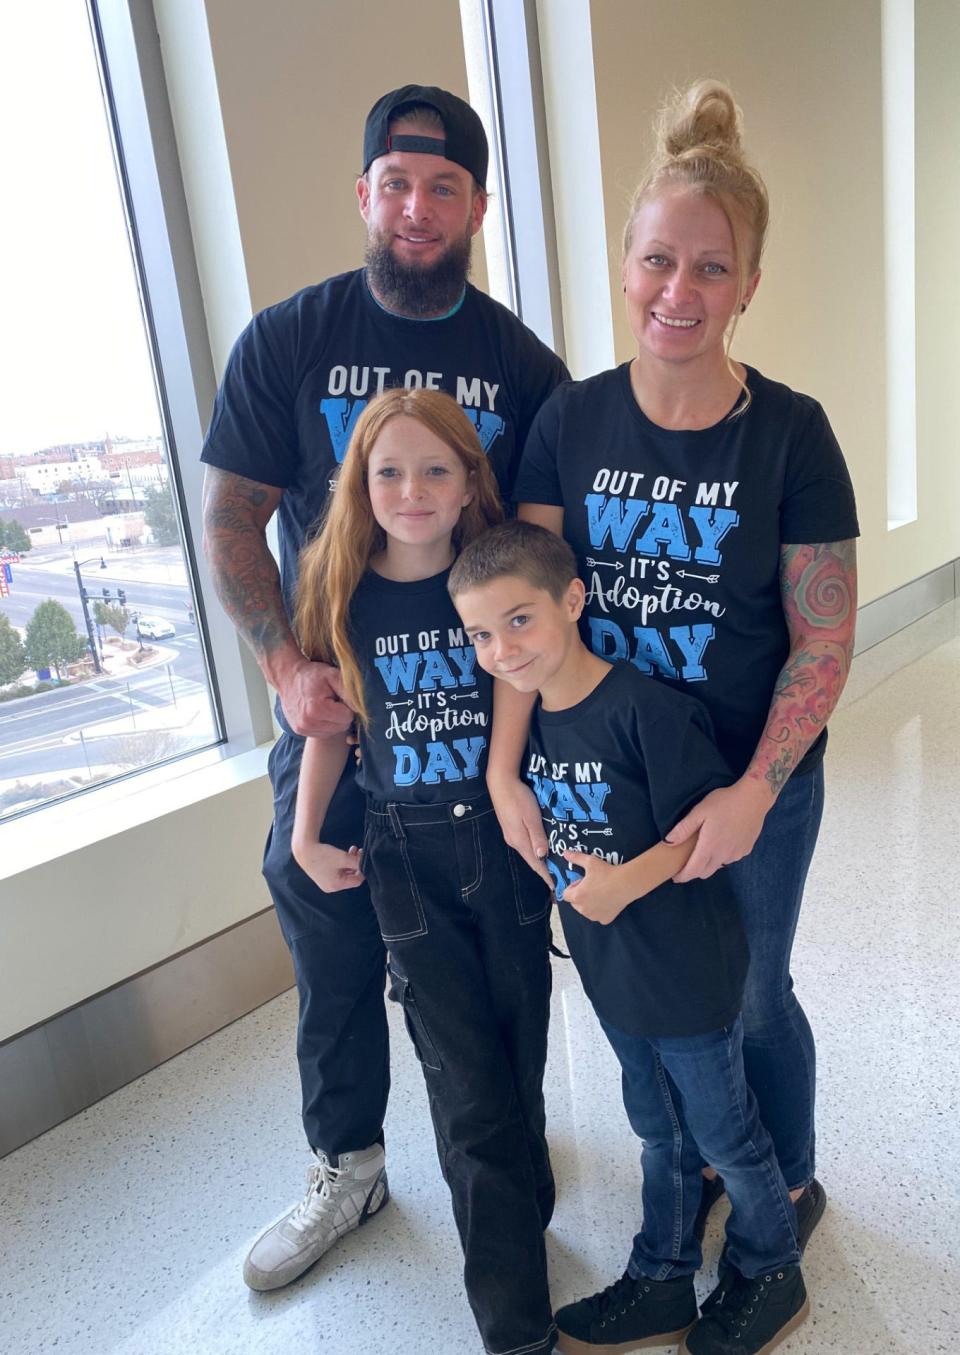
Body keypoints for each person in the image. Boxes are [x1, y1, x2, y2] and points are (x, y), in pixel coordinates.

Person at [200, 84, 568, 1292]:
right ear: (364, 195)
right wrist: (285, 668)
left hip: (477, 730)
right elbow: (234, 520)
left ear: (476, 205)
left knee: (500, 955)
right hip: (345, 708)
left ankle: (502, 1143)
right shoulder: (288, 339)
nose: (418, 207)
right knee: (325, 919)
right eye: (396, 183)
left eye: (444, 186)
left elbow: (555, 540)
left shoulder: (519, 360)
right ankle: (348, 1158)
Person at [503, 79, 858, 1262]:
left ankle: (786, 1183)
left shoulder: (793, 434)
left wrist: (757, 787)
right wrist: (511, 775)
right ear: (625, 264)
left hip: (755, 776)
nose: (680, 291)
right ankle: (704, 1164)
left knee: (752, 993)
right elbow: (528, 618)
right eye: (660, 260)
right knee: (656, 998)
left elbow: (822, 634)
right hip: (614, 785)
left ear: (749, 283)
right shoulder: (569, 423)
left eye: (712, 268)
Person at [450, 519, 810, 1355]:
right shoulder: (529, 722)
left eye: (519, 620)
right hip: (613, 974)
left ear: (572, 600)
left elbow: (704, 835)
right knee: (659, 1128)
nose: (500, 649)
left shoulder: (647, 709)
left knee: (726, 1135)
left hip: (688, 972)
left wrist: (618, 884)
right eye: (479, 633)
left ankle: (772, 1266)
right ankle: (665, 1274)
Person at [291, 392, 556, 1355]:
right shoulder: (346, 591)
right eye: (389, 472)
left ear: (470, 480)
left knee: (519, 1041)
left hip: (505, 841)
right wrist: (304, 833)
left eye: (437, 469)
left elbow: (523, 681)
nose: (414, 491)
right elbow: (337, 724)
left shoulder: (495, 578)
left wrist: (502, 776)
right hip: (404, 859)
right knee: (463, 1087)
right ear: (360, 486)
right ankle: (516, 1327)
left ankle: (529, 1207)